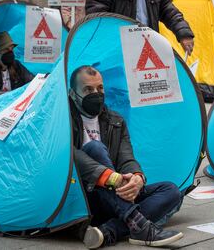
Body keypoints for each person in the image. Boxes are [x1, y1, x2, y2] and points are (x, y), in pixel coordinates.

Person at [69, 66, 183, 248]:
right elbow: (69, 155)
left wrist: (136, 178)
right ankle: (137, 224)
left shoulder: (116, 120)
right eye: (88, 90)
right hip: (84, 197)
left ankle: (109, 231)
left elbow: (126, 157)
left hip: (115, 196)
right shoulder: (63, 119)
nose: (96, 94)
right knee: (95, 148)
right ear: (72, 93)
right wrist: (112, 178)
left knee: (171, 191)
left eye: (100, 88)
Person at [85, 0, 195, 55]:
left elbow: (167, 9)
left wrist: (183, 33)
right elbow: (96, 18)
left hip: (148, 50)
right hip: (118, 54)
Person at [0, 31, 34, 97]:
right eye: (6, 49)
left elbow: (32, 81)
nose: (11, 52)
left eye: (12, 48)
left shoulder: (16, 65)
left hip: (15, 104)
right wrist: (14, 96)